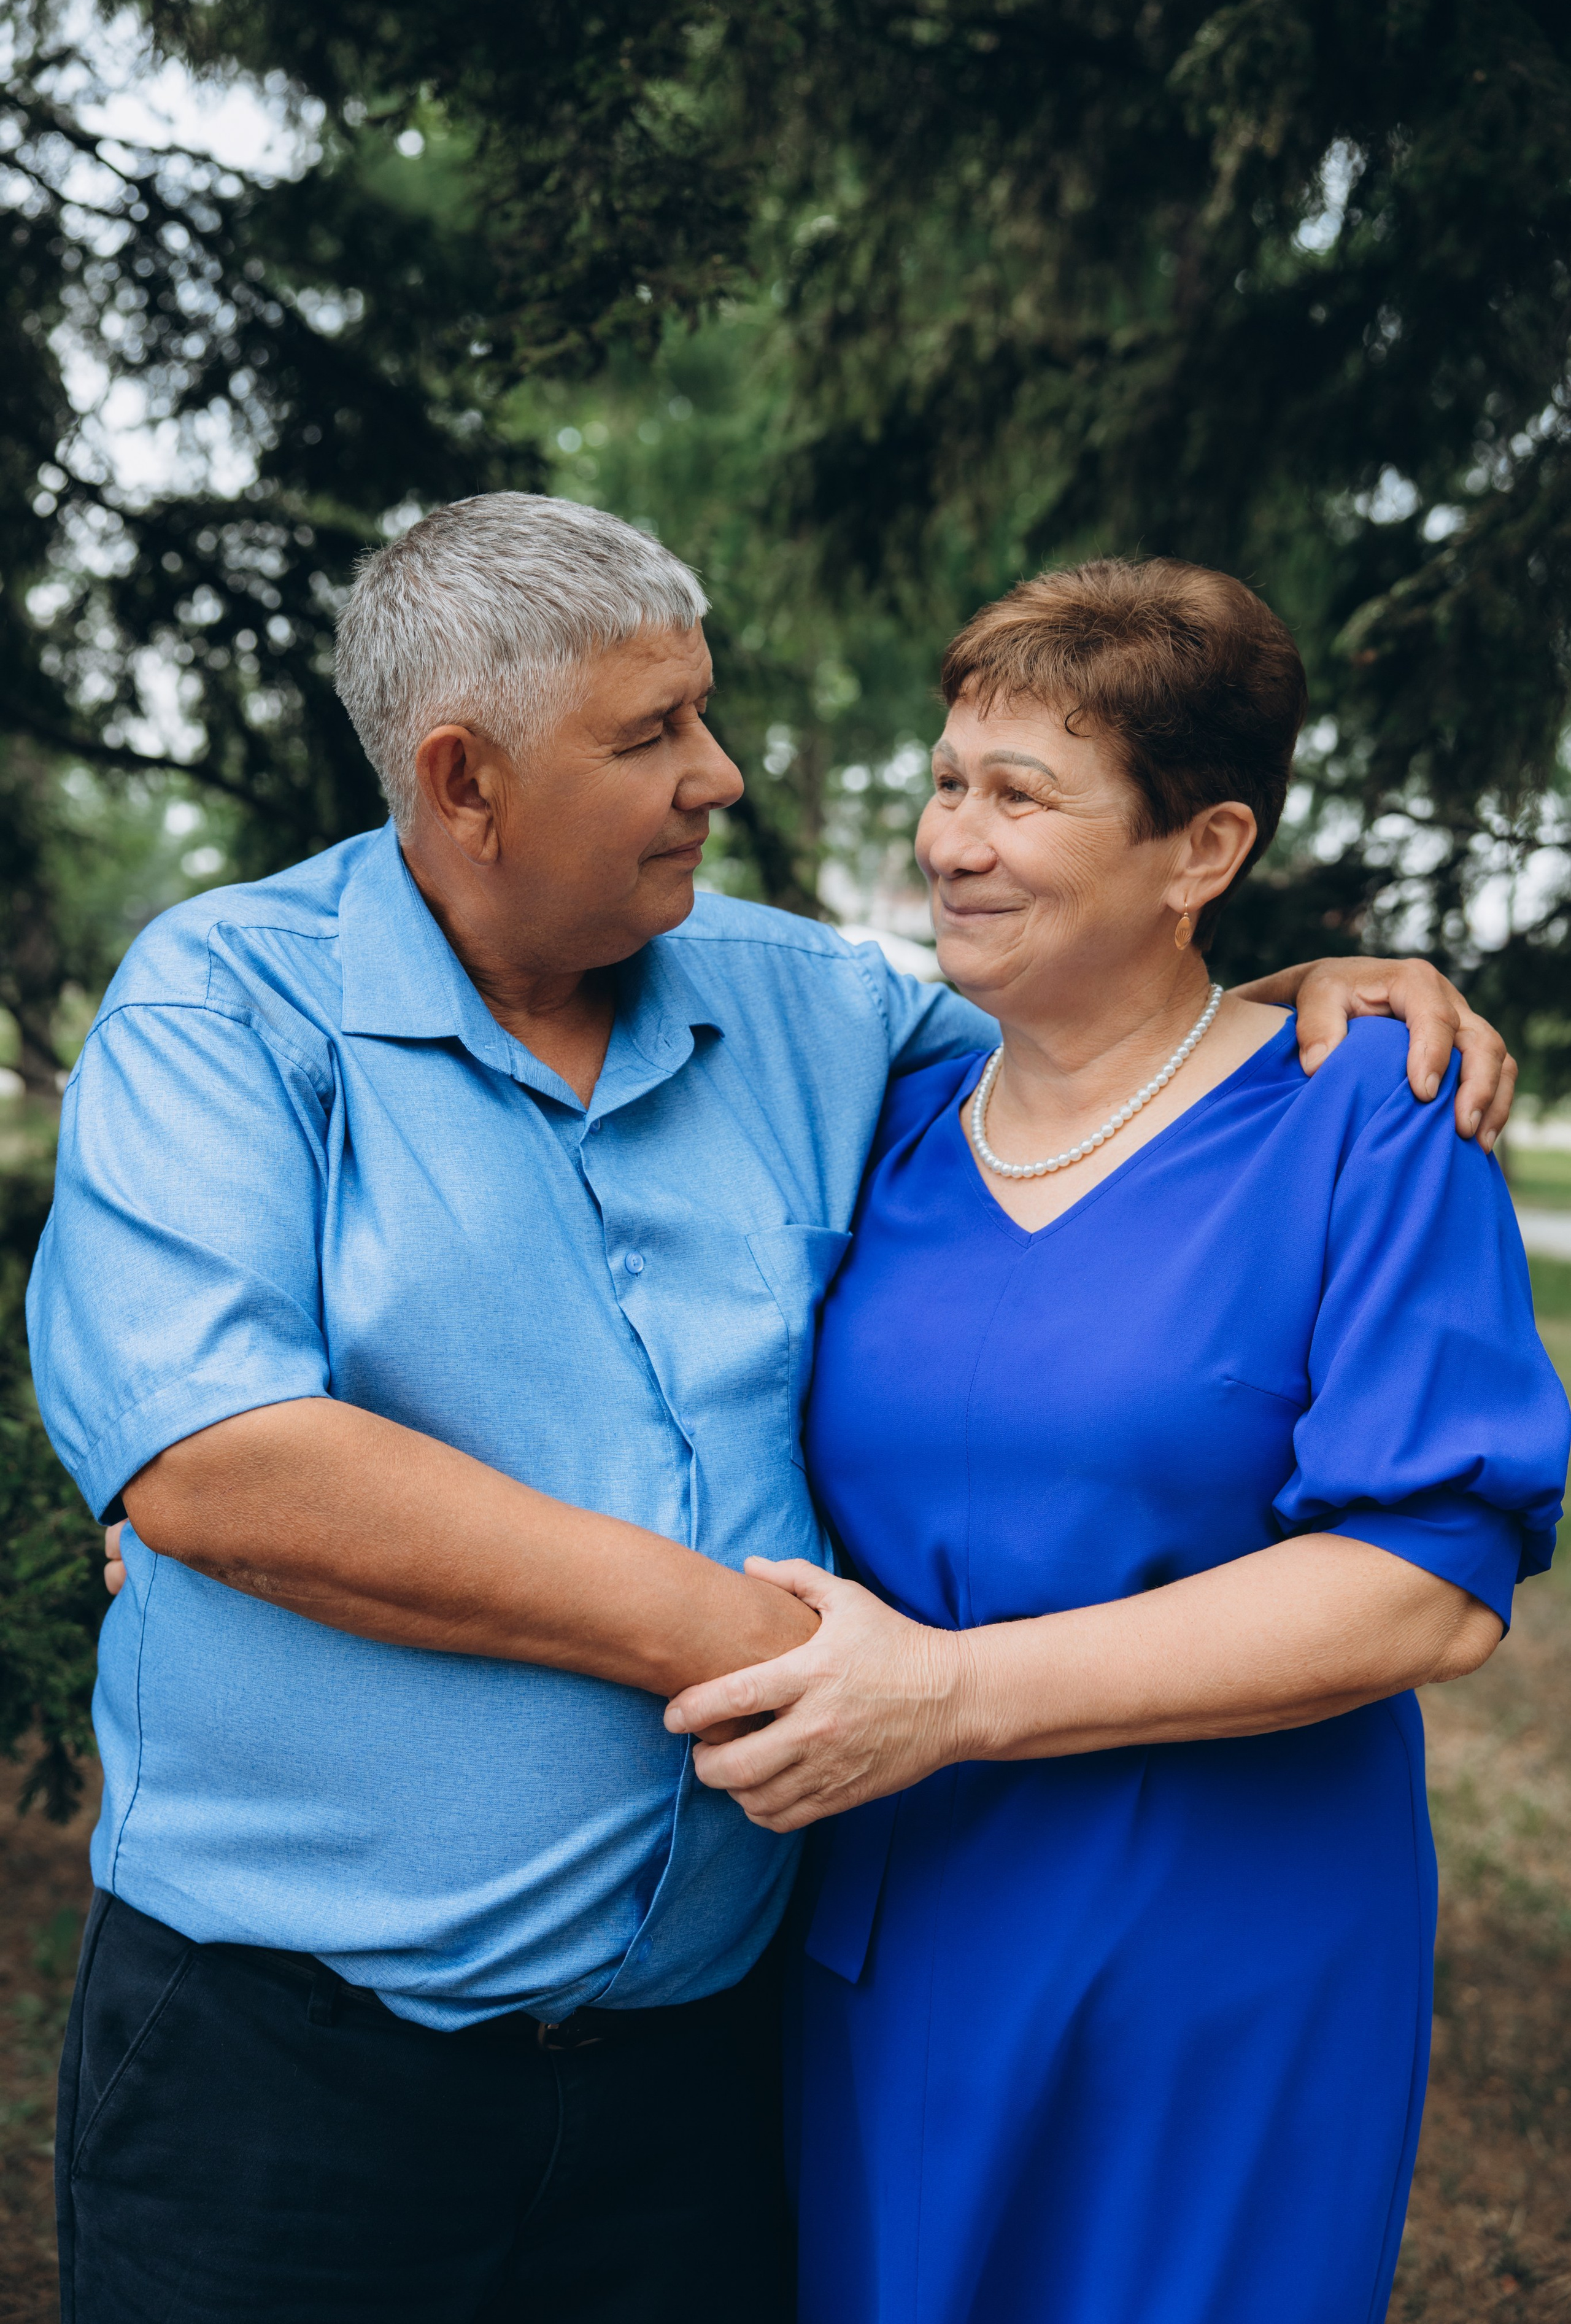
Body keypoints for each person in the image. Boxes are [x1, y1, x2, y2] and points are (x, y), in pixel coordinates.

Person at [27, 500, 1515, 2324]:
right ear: (463, 776)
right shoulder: (228, 1004)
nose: (718, 776)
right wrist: (771, 1651)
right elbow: (219, 1459)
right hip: (302, 2076)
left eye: (705, 714)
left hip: (702, 2080)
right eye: (652, 735)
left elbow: (1120, 1058)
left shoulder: (828, 1013)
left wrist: (1306, 1004)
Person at [664, 558, 1570, 2324]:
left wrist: (948, 1697)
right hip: (899, 1929)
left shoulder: (1365, 1127)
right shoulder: (894, 1126)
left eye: (1021, 797)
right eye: (944, 784)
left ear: (1202, 852)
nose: (951, 843)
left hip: (1220, 1947)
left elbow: (1424, 1591)